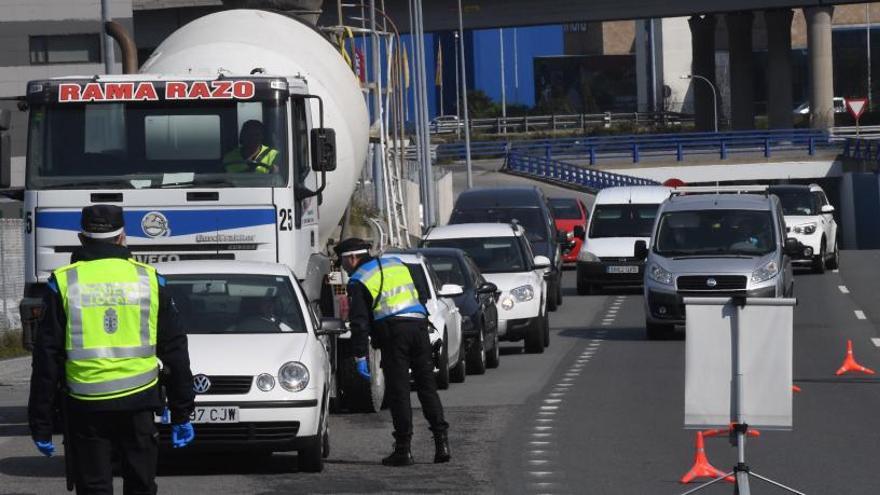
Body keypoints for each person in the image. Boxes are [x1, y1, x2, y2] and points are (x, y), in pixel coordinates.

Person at [28, 204, 196, 495]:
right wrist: (182, 410)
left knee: (94, 487)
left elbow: (47, 357)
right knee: (141, 485)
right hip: (139, 402)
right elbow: (175, 349)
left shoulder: (64, 282)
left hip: (86, 404)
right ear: (122, 238)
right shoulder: (149, 280)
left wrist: (41, 421)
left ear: (82, 238)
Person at [334, 237, 450, 467]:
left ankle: (403, 450)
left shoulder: (358, 280)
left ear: (353, 258)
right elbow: (419, 295)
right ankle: (442, 444)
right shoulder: (396, 263)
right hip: (419, 328)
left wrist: (359, 356)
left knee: (399, 392)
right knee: (427, 388)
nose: (343, 268)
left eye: (343, 263)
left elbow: (359, 323)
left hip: (394, 334)